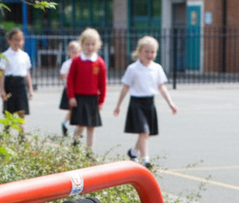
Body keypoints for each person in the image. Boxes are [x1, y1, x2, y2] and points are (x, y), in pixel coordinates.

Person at [113, 35, 178, 169]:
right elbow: (125, 87)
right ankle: (146, 160)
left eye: (153, 52)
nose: (150, 54)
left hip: (149, 103)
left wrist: (170, 103)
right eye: (146, 51)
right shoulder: (133, 69)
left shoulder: (157, 68)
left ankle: (133, 151)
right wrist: (118, 105)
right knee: (144, 132)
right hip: (136, 103)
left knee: (145, 133)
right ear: (139, 52)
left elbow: (161, 87)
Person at [66, 28, 107, 150]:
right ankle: (75, 146)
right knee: (80, 124)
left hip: (92, 98)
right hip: (79, 97)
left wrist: (101, 101)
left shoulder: (99, 63)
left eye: (93, 44)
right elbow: (70, 80)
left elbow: (103, 83)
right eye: (87, 44)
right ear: (82, 44)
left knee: (91, 126)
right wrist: (72, 96)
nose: (90, 47)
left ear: (98, 45)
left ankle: (89, 151)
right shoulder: (77, 61)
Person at [0, 28, 33, 135]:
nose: (18, 42)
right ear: (9, 41)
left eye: (20, 40)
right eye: (15, 40)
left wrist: (30, 89)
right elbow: (1, 73)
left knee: (21, 111)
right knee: (9, 112)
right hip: (10, 84)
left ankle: (22, 135)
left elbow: (27, 73)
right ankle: (6, 134)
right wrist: (2, 90)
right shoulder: (5, 55)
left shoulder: (24, 56)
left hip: (21, 85)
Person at [59, 40, 81, 137]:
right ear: (69, 52)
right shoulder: (67, 63)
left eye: (76, 51)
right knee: (72, 109)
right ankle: (66, 124)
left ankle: (75, 128)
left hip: (79, 90)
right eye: (72, 51)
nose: (74, 53)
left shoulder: (80, 63)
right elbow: (62, 75)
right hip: (70, 89)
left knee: (77, 110)